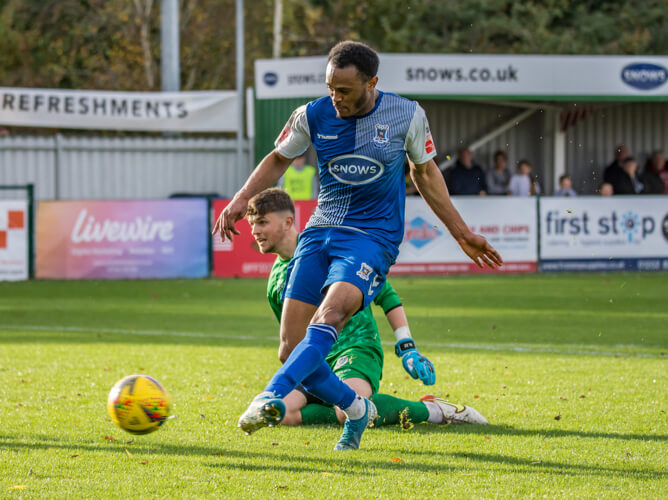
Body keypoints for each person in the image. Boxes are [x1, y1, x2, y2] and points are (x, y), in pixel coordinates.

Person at [213, 41, 502, 451]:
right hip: (321, 231)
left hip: (372, 237)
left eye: (345, 90)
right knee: (290, 350)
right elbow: (278, 158)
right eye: (331, 87)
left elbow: (425, 172)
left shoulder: (407, 115)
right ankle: (356, 408)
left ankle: (269, 396)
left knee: (329, 314)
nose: (336, 97)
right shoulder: (312, 115)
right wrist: (242, 197)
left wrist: (460, 232)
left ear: (372, 83)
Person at [246, 187, 487, 428]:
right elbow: (292, 341)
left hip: (356, 346)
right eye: (251, 224)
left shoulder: (326, 250)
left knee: (348, 410)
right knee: (280, 414)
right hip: (318, 359)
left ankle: (433, 411)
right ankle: (341, 406)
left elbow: (387, 295)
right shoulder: (275, 281)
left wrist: (407, 346)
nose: (254, 231)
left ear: (288, 221)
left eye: (262, 222)